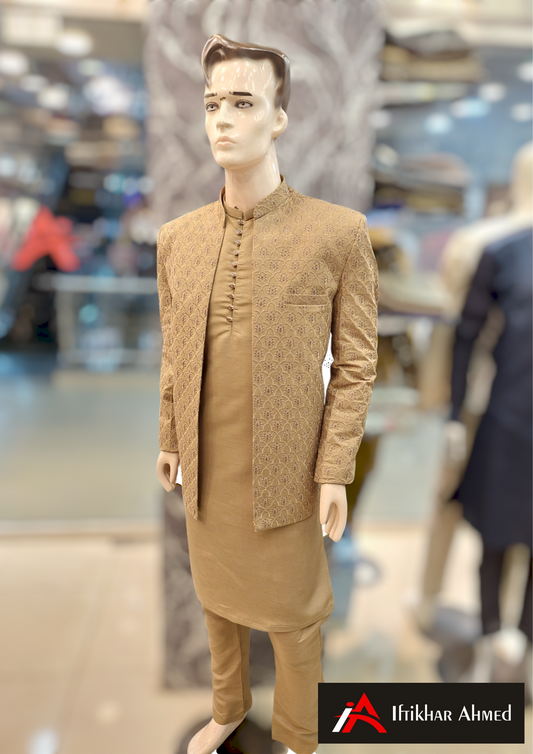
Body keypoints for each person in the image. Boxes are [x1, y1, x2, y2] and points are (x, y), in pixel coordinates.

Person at [156, 35, 378, 754]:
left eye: (243, 103)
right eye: (212, 104)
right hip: (207, 467)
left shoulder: (336, 234)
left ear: (279, 117)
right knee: (217, 600)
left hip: (288, 469)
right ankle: (227, 708)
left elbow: (356, 363)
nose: (222, 119)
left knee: (295, 616)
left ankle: (300, 735)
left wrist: (334, 468)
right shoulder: (178, 239)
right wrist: (169, 437)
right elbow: (174, 353)